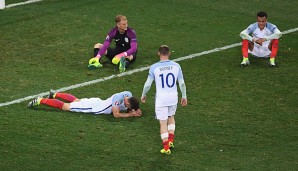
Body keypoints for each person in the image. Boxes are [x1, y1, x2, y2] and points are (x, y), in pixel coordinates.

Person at [141, 45, 187, 154]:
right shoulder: (176, 66)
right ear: (169, 53)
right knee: (171, 117)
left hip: (161, 99)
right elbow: (182, 83)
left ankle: (166, 148)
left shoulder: (154, 67)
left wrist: (143, 94)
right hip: (173, 97)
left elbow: (148, 85)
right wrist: (184, 96)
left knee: (163, 123)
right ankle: (171, 140)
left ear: (158, 53)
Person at [28, 90, 142, 118]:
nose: (127, 108)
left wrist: (134, 110)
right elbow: (116, 114)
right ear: (126, 102)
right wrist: (131, 114)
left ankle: (55, 94)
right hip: (95, 107)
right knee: (66, 107)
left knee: (77, 101)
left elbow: (129, 106)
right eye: (127, 106)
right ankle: (40, 100)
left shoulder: (128, 93)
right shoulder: (117, 100)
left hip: (98, 101)